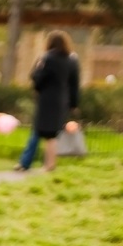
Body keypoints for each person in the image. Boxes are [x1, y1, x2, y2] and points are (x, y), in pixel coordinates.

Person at [17, 30, 79, 172]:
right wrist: (74, 103)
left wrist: (38, 74)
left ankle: (49, 165)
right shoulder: (72, 60)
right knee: (45, 131)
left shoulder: (47, 58)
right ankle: (25, 162)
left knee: (48, 134)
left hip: (47, 100)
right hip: (62, 100)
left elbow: (36, 77)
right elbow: (74, 84)